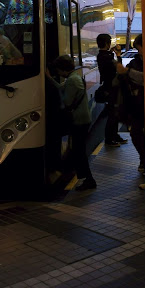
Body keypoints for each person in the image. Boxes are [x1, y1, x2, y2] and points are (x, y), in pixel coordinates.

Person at [47, 55, 96, 191]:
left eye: (58, 70)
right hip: (83, 119)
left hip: (78, 120)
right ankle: (85, 177)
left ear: (63, 69)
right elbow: (61, 88)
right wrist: (50, 79)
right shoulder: (75, 77)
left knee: (79, 151)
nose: (58, 73)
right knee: (77, 149)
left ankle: (88, 179)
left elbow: (67, 101)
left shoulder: (72, 81)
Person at [116, 34, 145, 189]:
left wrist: (127, 73)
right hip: (137, 105)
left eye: (139, 48)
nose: (139, 51)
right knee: (136, 133)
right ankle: (144, 159)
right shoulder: (135, 61)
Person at [96, 33, 128, 147]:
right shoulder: (106, 57)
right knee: (113, 115)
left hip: (108, 88)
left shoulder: (102, 55)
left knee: (114, 114)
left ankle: (114, 136)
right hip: (111, 89)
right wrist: (118, 55)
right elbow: (120, 69)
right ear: (107, 43)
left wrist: (112, 53)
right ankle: (109, 139)